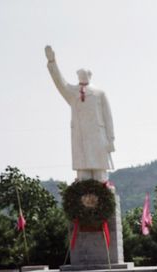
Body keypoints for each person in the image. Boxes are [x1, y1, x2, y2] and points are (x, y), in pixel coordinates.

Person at [44, 45, 115, 181]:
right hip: (80, 137)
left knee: (100, 175)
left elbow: (108, 118)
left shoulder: (99, 93)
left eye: (85, 74)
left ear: (90, 75)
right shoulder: (73, 92)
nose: (82, 76)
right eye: (80, 74)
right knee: (83, 175)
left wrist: (111, 139)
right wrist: (52, 63)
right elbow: (60, 83)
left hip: (98, 137)